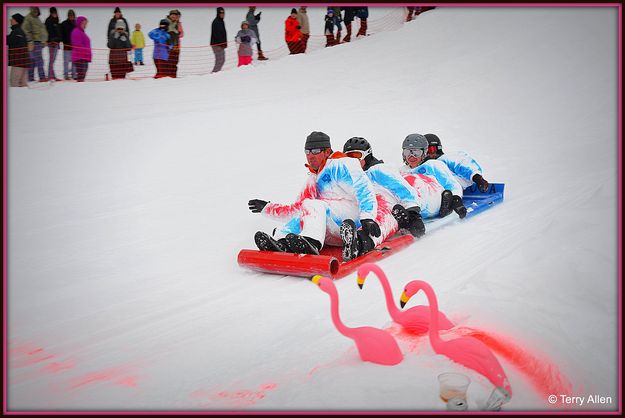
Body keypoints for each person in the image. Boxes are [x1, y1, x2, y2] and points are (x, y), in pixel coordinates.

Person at [248, 131, 381, 261]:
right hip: (330, 226)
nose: (310, 156)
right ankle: (281, 242)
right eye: (307, 152)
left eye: (316, 151)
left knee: (313, 204)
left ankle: (311, 242)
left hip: (351, 224)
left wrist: (368, 217)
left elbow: (363, 189)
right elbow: (297, 209)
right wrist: (267, 207)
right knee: (303, 211)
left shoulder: (342, 165)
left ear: (327, 152)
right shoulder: (312, 179)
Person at [343, 137, 426, 253]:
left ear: (367, 155)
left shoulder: (378, 170)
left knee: (380, 211)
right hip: (362, 210)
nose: (353, 161)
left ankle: (363, 241)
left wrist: (413, 213)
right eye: (348, 157)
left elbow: (404, 189)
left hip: (385, 205)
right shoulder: (349, 176)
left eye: (356, 156)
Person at [400, 134, 467, 218]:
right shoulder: (402, 170)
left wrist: (456, 200)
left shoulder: (433, 165)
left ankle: (446, 203)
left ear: (424, 153)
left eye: (416, 152)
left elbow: (452, 185)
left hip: (433, 199)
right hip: (412, 201)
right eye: (407, 152)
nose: (411, 156)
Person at [425, 133, 490, 192]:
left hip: (453, 189)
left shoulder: (446, 158)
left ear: (438, 148)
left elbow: (462, 164)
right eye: (425, 151)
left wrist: (478, 179)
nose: (428, 154)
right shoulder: (421, 166)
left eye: (431, 150)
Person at [22, 6, 48, 82]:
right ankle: (42, 77)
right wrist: (29, 41)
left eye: (37, 10)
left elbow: (42, 30)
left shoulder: (37, 18)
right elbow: (25, 30)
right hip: (34, 42)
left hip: (39, 42)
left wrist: (44, 40)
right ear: (32, 10)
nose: (36, 12)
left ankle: (30, 78)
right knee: (39, 60)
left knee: (33, 60)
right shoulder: (28, 18)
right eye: (34, 10)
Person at [7, 13, 31, 87]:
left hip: (18, 62)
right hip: (23, 61)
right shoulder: (20, 31)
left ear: (16, 21)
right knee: (23, 84)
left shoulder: (17, 32)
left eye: (12, 19)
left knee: (14, 83)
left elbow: (8, 41)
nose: (10, 20)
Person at [71, 16, 91, 82]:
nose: (85, 25)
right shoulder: (76, 32)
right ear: (79, 23)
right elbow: (78, 45)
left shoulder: (81, 32)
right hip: (80, 58)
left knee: (82, 77)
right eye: (83, 23)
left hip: (83, 57)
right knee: (80, 77)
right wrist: (86, 51)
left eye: (86, 23)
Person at [44, 7, 62, 81]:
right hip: (52, 43)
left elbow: (58, 31)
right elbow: (48, 32)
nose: (55, 14)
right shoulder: (48, 21)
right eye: (53, 13)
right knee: (51, 60)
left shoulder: (56, 20)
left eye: (55, 12)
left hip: (56, 42)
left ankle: (52, 75)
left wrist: (59, 39)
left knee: (53, 60)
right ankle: (50, 75)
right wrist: (51, 40)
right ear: (51, 13)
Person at [165, 9, 182, 77]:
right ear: (170, 15)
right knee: (169, 62)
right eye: (173, 15)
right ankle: (168, 76)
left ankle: (173, 76)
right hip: (168, 46)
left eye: (176, 15)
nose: (174, 17)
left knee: (175, 61)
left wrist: (178, 33)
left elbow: (181, 34)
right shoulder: (166, 22)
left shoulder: (178, 23)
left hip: (177, 45)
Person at [210, 7, 227, 73]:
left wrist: (224, 43)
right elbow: (216, 34)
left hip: (220, 44)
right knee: (220, 60)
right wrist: (222, 44)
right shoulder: (216, 22)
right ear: (218, 13)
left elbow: (223, 33)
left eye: (223, 12)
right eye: (220, 12)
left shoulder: (221, 21)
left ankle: (216, 72)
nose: (222, 14)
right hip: (216, 44)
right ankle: (214, 73)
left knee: (221, 60)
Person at [60, 9, 76, 80]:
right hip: (67, 46)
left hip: (74, 47)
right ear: (68, 16)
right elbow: (61, 34)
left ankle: (74, 74)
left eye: (73, 16)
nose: (71, 17)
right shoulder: (64, 24)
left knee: (74, 61)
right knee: (66, 61)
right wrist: (64, 42)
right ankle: (66, 75)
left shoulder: (76, 24)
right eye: (70, 16)